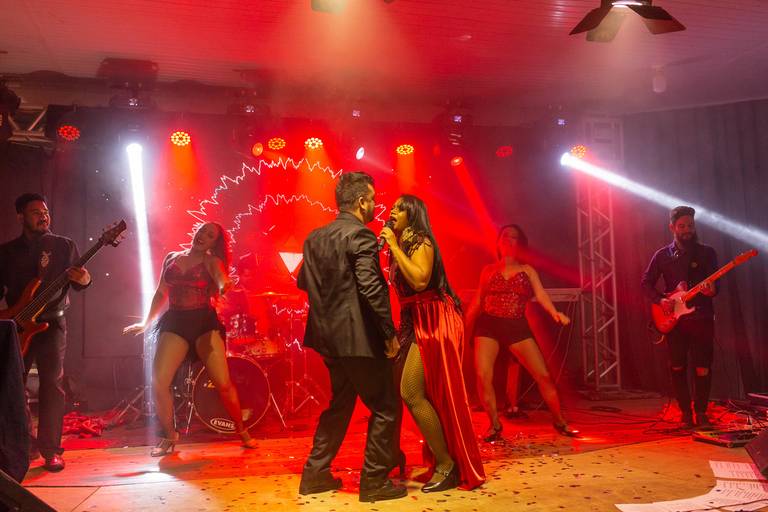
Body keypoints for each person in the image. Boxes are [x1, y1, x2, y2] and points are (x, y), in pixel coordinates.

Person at [296, 171, 405, 503]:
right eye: (373, 199)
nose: (375, 205)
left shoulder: (314, 238)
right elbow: (371, 288)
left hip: (327, 339)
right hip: (358, 339)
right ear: (361, 201)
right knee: (386, 406)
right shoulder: (361, 235)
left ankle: (315, 474)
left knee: (340, 405)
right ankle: (374, 481)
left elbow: (303, 282)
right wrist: (388, 333)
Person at [379, 194, 485, 492]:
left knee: (411, 391)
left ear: (412, 214)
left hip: (435, 318)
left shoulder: (421, 241)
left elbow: (420, 281)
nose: (392, 211)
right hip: (413, 319)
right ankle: (439, 459)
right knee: (414, 392)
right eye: (392, 207)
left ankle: (447, 465)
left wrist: (394, 246)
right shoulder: (400, 246)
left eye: (399, 208)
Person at [123, 222, 257, 455]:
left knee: (223, 384)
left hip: (204, 324)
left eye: (210, 235)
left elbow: (221, 278)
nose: (203, 235)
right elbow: (161, 292)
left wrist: (224, 286)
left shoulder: (212, 262)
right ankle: (169, 435)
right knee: (159, 382)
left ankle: (242, 430)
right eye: (202, 230)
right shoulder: (172, 258)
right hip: (176, 322)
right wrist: (145, 322)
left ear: (214, 243)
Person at [0, 193, 92, 472]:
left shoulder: (63, 246)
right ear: (20, 217)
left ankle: (51, 451)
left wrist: (85, 278)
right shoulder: (6, 252)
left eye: (45, 212)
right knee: (14, 386)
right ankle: (22, 446)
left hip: (52, 324)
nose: (43, 216)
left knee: (52, 385)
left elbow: (80, 282)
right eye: (35, 212)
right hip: (17, 326)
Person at [465, 224, 577, 441]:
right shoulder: (488, 270)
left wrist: (554, 312)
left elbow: (541, 295)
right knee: (482, 375)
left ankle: (559, 421)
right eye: (505, 236)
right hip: (488, 325)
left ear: (520, 244)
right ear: (498, 242)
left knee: (543, 375)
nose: (508, 239)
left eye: (514, 237)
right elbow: (478, 301)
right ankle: (494, 425)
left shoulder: (528, 270)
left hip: (516, 325)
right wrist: (463, 326)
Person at [641, 206, 717, 429]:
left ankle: (701, 413)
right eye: (682, 226)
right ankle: (685, 413)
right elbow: (646, 283)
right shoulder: (662, 256)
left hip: (702, 318)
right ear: (672, 228)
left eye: (690, 226)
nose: (687, 230)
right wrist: (660, 300)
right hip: (675, 321)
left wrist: (711, 290)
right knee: (677, 367)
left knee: (703, 368)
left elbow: (716, 287)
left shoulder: (707, 253)